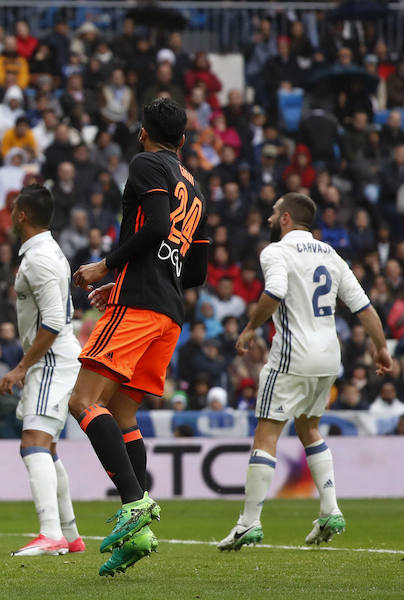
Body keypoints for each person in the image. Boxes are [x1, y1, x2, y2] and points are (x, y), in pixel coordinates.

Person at [72, 98, 209, 576]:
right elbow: (196, 271)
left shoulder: (146, 163)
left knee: (83, 401)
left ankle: (135, 504)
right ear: (184, 141)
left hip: (140, 305)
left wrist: (105, 268)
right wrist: (124, 278)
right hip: (170, 313)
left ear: (143, 134)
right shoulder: (195, 187)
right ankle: (141, 532)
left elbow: (152, 226)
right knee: (124, 411)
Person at [217, 193, 392, 551]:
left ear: (285, 218)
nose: (268, 218)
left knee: (266, 434)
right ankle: (330, 509)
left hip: (293, 355)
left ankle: (248, 523)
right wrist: (381, 347)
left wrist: (251, 327)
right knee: (309, 428)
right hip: (329, 357)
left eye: (272, 213)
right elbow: (363, 306)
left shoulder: (276, 252)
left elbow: (275, 291)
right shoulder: (331, 255)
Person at [0, 184, 84, 557]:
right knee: (47, 447)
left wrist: (20, 368)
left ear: (21, 215)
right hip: (55, 360)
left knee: (33, 442)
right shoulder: (47, 252)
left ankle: (50, 533)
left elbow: (51, 323)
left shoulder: (40, 260)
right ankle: (70, 534)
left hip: (51, 361)